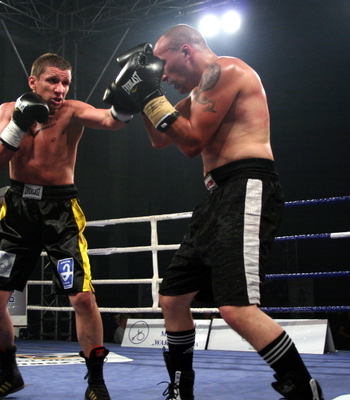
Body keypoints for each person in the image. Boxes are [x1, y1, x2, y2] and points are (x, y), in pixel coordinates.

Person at [103, 24, 323, 400]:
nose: (163, 76)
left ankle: (304, 389)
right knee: (173, 298)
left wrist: (150, 94)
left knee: (236, 308)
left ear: (186, 51)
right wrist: (140, 96)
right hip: (217, 197)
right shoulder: (197, 92)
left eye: (163, 66)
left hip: (246, 185)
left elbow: (191, 142)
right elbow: (160, 138)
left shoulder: (227, 71)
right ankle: (181, 390)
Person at [0, 53, 128, 400]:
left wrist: (128, 101)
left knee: (82, 298)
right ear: (33, 82)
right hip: (18, 213)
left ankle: (96, 383)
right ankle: (8, 375)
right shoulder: (7, 111)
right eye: (53, 81)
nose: (60, 89)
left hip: (60, 213)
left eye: (65, 82)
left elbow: (111, 121)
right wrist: (18, 124)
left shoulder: (72, 111)